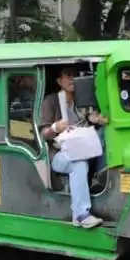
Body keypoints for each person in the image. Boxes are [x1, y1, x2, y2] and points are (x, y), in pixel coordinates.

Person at [40, 66, 108, 229]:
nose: (73, 79)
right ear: (59, 81)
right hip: (59, 154)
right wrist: (56, 127)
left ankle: (100, 177)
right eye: (68, 76)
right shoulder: (51, 101)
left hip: (84, 147)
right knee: (78, 164)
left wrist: (95, 119)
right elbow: (43, 133)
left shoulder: (83, 99)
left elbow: (89, 121)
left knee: (106, 132)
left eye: (76, 75)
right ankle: (80, 214)